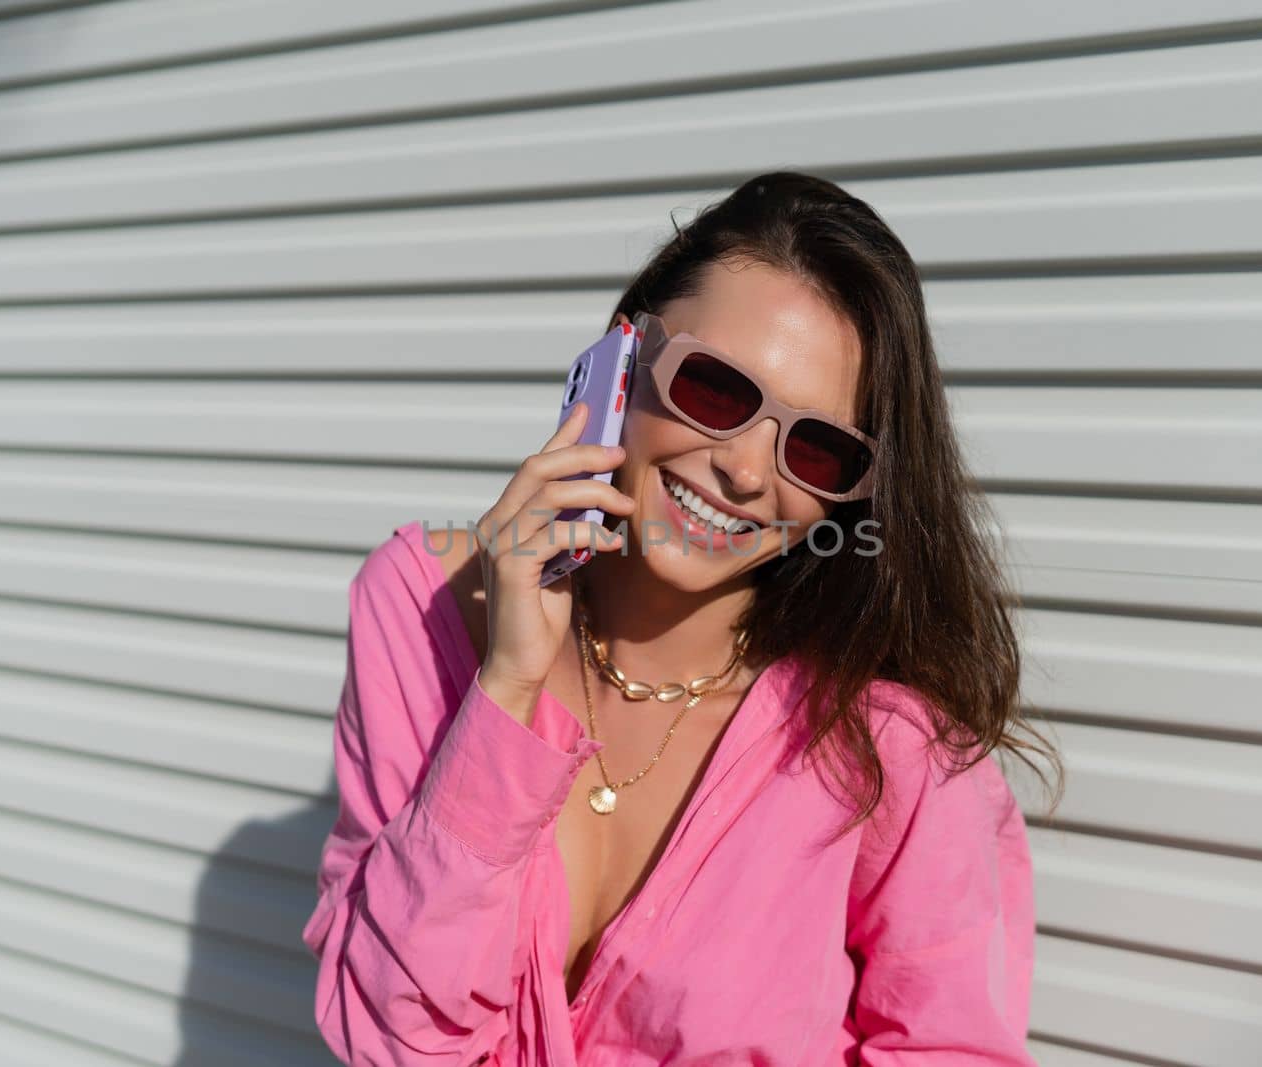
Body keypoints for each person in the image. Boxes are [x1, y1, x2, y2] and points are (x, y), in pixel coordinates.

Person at [301, 171, 1065, 1065]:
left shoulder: (886, 745)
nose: (745, 469)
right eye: (714, 389)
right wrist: (506, 686)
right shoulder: (425, 606)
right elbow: (389, 1037)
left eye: (815, 447)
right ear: (622, 358)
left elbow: (950, 1047)